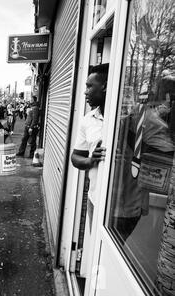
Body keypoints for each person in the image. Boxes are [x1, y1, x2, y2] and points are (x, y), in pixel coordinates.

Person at [71, 64, 109, 229]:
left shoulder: (134, 118)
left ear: (106, 86)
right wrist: (91, 161)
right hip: (95, 197)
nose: (85, 91)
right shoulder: (88, 119)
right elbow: (75, 157)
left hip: (126, 207)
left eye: (89, 86)